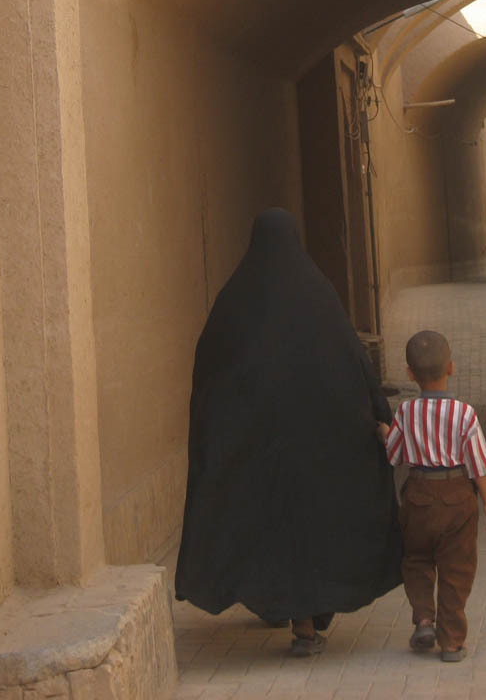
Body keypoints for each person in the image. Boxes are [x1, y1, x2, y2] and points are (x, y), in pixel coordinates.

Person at [175, 207, 402, 657]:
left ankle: (290, 611)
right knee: (314, 523)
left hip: (259, 451)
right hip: (320, 449)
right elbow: (355, 363)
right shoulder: (320, 297)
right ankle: (307, 617)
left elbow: (211, 374)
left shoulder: (234, 302)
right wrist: (381, 416)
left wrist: (217, 438)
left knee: (268, 523)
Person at [378, 330, 486, 662]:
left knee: (416, 560)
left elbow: (394, 456)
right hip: (457, 496)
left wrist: (384, 432)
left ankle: (424, 620)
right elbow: (478, 465)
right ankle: (452, 642)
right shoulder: (465, 414)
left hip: (417, 496)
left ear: (410, 374)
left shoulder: (405, 412)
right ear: (451, 368)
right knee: (457, 568)